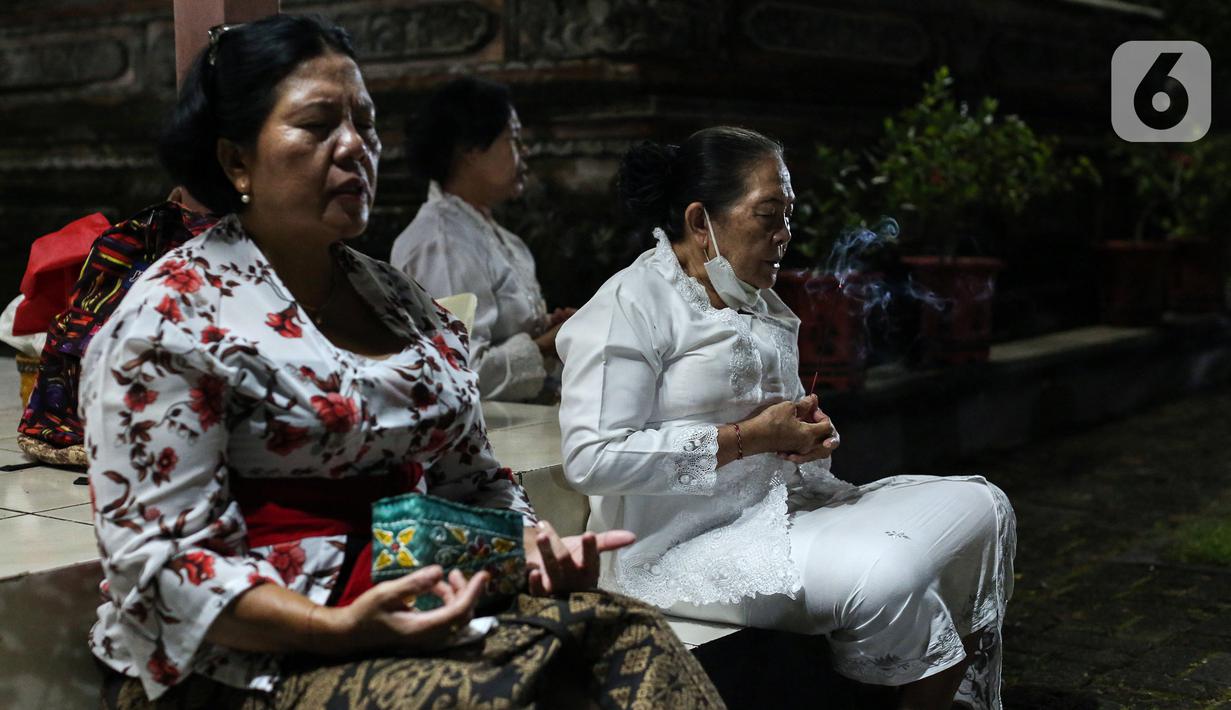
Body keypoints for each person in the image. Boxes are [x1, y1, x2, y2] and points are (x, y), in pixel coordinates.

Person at [81, 15, 721, 708]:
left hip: (406, 595)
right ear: (237, 160)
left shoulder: (397, 299)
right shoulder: (171, 318)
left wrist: (529, 544)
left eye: (366, 123)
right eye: (318, 123)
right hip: (244, 656)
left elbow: (474, 480)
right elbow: (162, 566)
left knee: (627, 637)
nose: (354, 146)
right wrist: (335, 628)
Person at [557, 126, 1017, 710]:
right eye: (768, 214)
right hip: (678, 546)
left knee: (986, 508)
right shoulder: (630, 304)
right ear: (702, 222)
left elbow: (780, 421)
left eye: (789, 215)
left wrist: (805, 435)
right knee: (892, 575)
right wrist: (748, 438)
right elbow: (590, 457)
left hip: (779, 511)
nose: (784, 236)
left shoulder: (756, 299)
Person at [390, 77, 573, 402]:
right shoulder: (441, 241)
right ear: (470, 150)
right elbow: (460, 370)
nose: (524, 151)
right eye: (513, 139)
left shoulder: (500, 238)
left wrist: (546, 327)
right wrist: (549, 343)